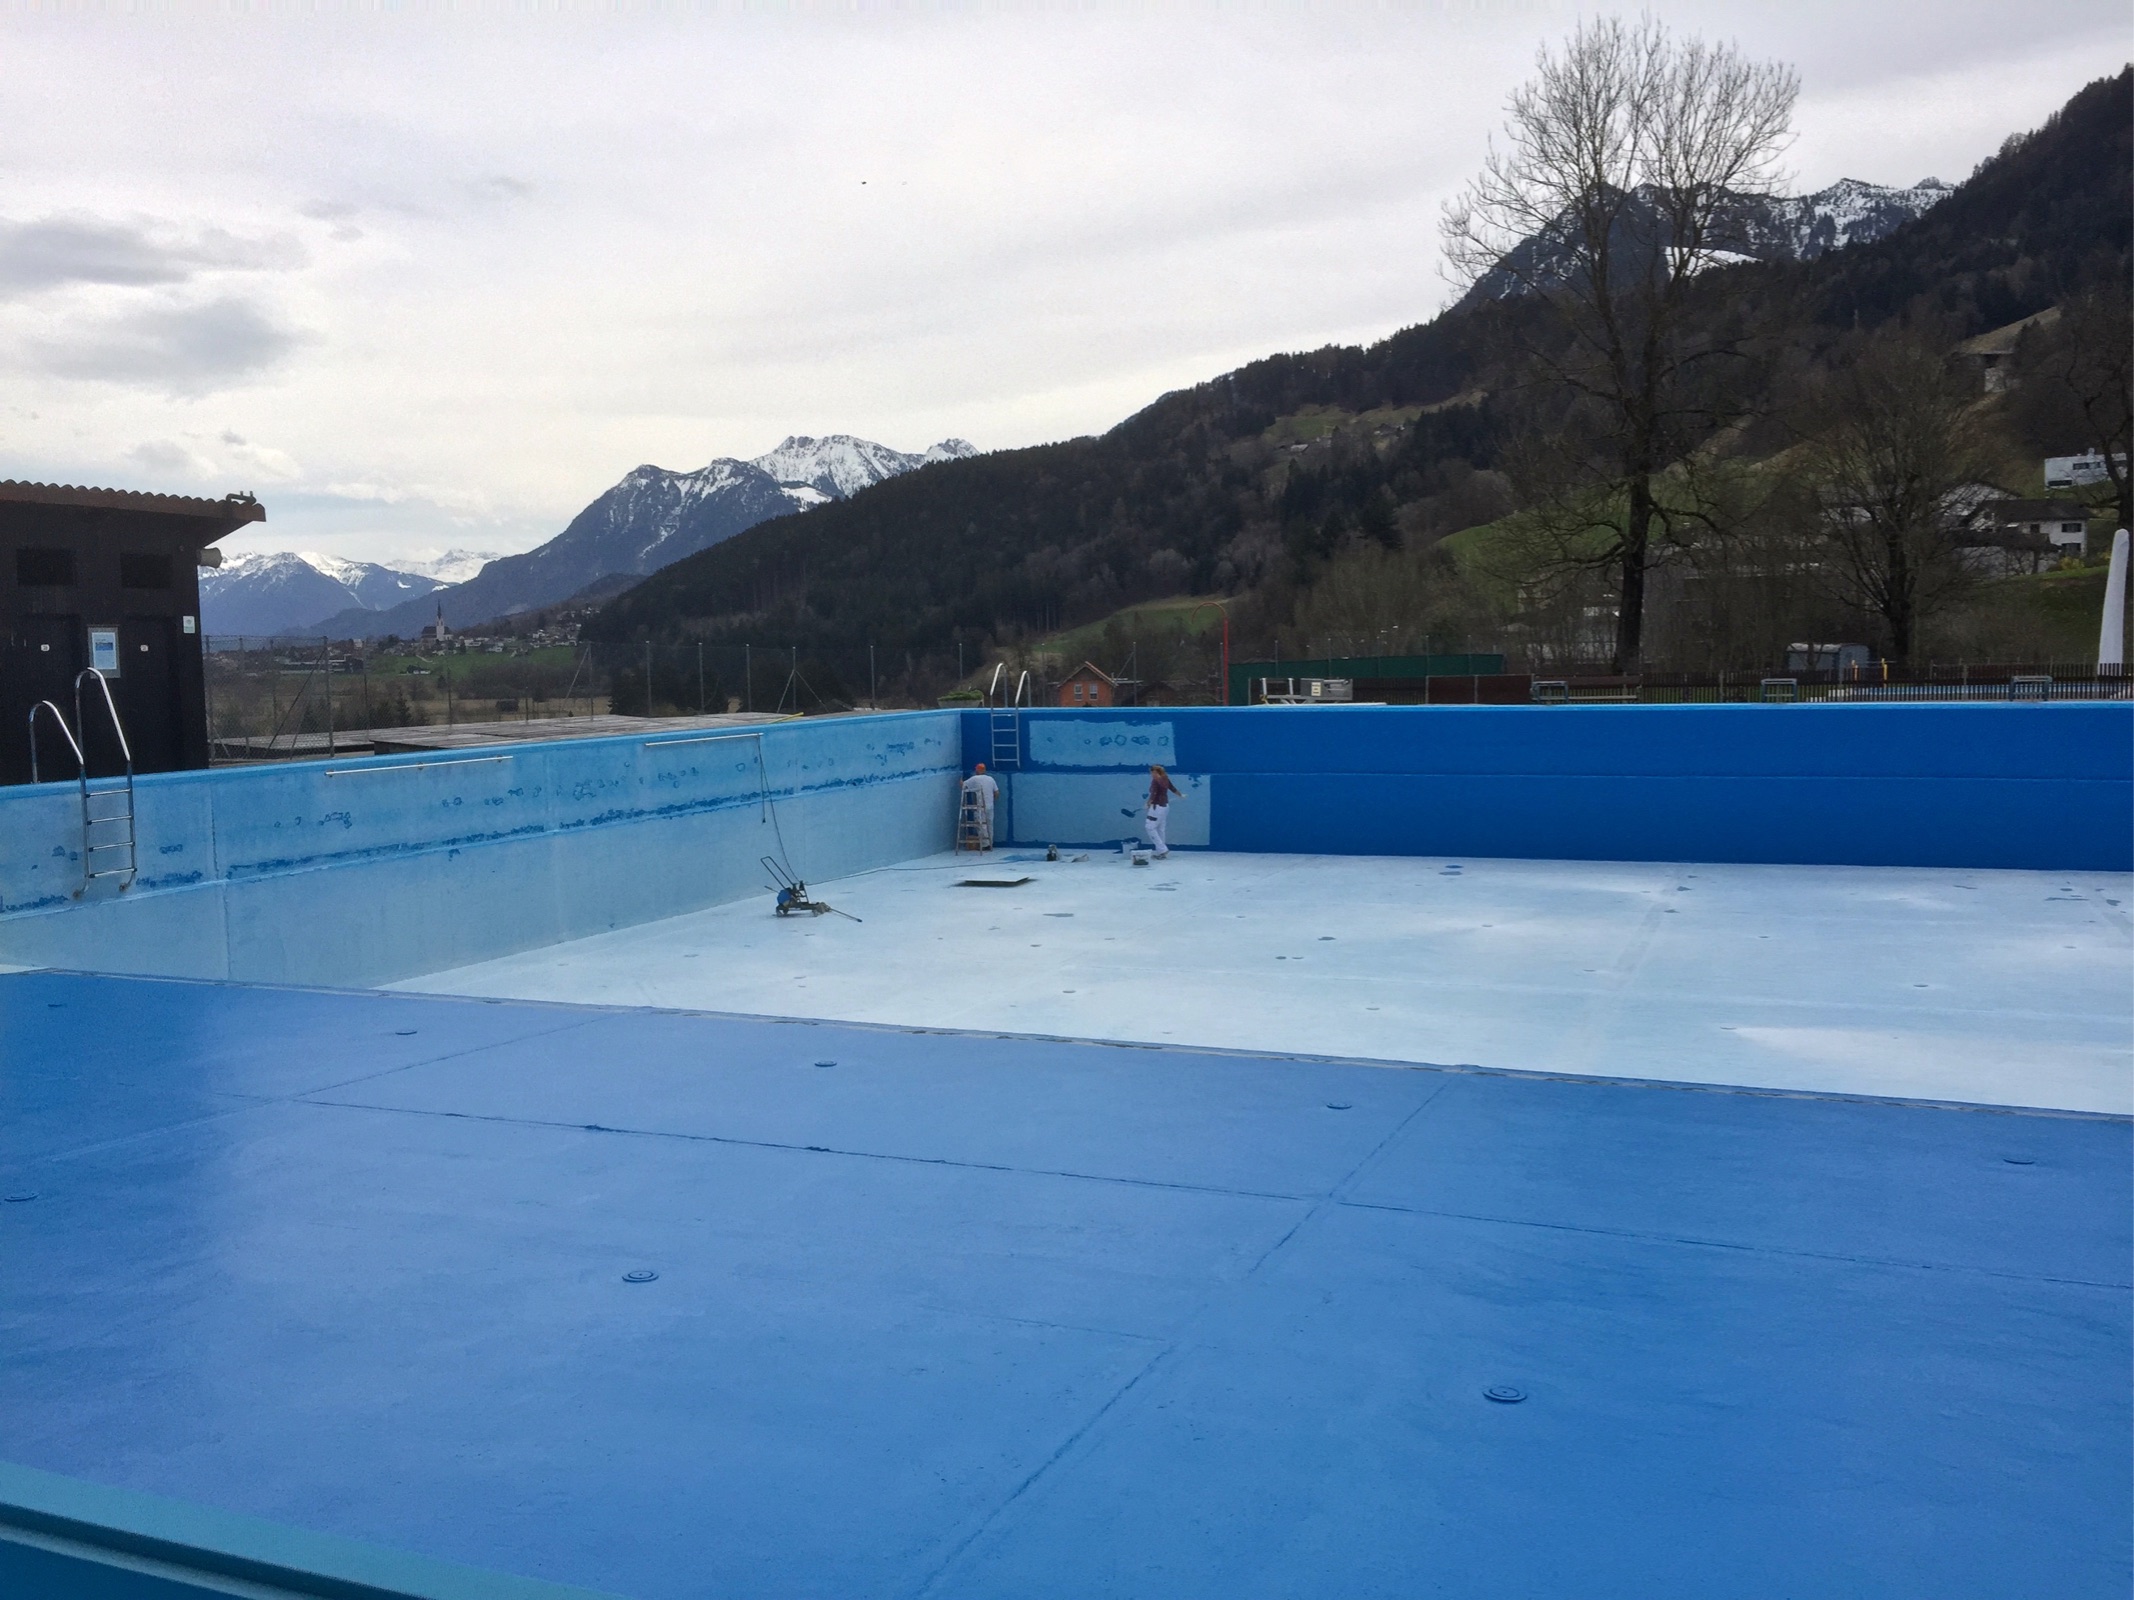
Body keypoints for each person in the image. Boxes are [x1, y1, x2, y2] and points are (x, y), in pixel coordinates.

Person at [962, 762, 1000, 850]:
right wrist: (991, 800)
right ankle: (990, 843)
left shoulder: (975, 778)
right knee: (989, 824)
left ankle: (985, 845)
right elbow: (997, 793)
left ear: (977, 770)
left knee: (980, 824)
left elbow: (963, 786)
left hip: (980, 805)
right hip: (990, 806)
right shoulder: (991, 779)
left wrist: (960, 780)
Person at [1144, 763, 1178, 859]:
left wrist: (1148, 803)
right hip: (1165, 807)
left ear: (1155, 772)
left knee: (1149, 827)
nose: (1151, 774)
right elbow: (1172, 788)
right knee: (1160, 829)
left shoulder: (1155, 781)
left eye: (1152, 772)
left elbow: (1154, 793)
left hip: (1157, 807)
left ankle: (1163, 849)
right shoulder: (1165, 778)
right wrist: (1180, 795)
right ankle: (1161, 853)